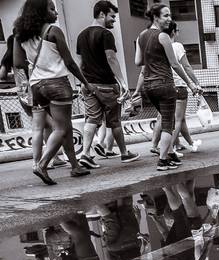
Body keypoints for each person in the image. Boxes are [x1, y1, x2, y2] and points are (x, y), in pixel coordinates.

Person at [13, 0, 95, 185]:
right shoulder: (53, 31)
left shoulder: (20, 34)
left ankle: (75, 165)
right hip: (57, 83)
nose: (56, 13)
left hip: (36, 85)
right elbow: (70, 62)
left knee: (63, 126)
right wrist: (86, 83)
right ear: (41, 11)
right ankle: (42, 164)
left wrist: (38, 66)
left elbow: (18, 63)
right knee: (62, 128)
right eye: (52, 9)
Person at [135, 3, 202, 172]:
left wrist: (152, 57)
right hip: (164, 84)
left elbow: (138, 61)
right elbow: (175, 64)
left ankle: (170, 154)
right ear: (155, 17)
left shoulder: (141, 36)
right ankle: (162, 160)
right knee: (168, 124)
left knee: (166, 119)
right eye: (165, 15)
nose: (169, 19)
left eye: (170, 15)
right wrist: (190, 83)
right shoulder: (163, 36)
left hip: (149, 86)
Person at [76, 1, 139, 171]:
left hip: (89, 85)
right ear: (102, 14)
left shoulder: (81, 35)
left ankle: (85, 154)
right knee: (114, 122)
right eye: (112, 16)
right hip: (107, 85)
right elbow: (111, 58)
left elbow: (80, 63)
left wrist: (82, 83)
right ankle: (124, 153)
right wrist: (122, 82)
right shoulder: (105, 34)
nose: (114, 20)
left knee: (91, 119)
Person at [2, 33, 66, 168]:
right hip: (34, 92)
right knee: (49, 126)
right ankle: (40, 161)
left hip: (22, 94)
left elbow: (2, 75)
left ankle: (53, 157)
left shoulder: (8, 58)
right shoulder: (26, 56)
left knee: (44, 126)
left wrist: (16, 78)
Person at [149, 21, 202, 157]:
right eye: (177, 30)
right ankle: (169, 149)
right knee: (178, 120)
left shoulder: (158, 46)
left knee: (163, 117)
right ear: (173, 32)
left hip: (163, 84)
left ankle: (158, 145)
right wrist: (195, 83)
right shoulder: (177, 46)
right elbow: (186, 66)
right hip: (179, 86)